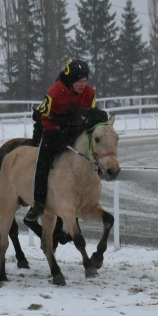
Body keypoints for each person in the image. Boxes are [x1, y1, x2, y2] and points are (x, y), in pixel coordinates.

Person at [24, 59, 96, 228]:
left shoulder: (90, 94)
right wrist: (57, 131)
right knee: (42, 164)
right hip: (53, 132)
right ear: (71, 80)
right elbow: (43, 118)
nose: (82, 85)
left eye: (85, 81)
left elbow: (91, 116)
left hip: (76, 131)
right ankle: (38, 204)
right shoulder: (54, 93)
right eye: (79, 81)